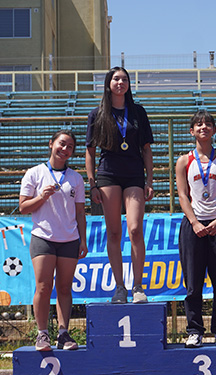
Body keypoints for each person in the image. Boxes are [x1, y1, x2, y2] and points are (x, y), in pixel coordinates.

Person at [85, 67, 154, 304]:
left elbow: (146, 149)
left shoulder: (138, 112)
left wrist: (149, 180)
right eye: (116, 79)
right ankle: (120, 287)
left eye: (124, 79)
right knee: (114, 232)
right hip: (108, 176)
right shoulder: (97, 114)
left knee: (135, 229)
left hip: (134, 174)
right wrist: (92, 184)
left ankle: (138, 287)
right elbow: (90, 152)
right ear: (108, 84)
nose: (120, 82)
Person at [19, 130, 87, 351]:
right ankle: (42, 334)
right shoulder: (34, 173)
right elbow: (23, 207)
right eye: (62, 144)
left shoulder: (76, 178)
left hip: (70, 239)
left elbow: (80, 213)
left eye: (70, 147)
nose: (65, 149)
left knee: (64, 287)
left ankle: (63, 333)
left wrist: (83, 241)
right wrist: (42, 197)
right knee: (43, 286)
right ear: (51, 144)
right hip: (43, 237)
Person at [176, 110, 216, 348]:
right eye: (199, 124)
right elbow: (182, 195)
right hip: (193, 227)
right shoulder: (184, 161)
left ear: (214, 130)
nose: (204, 127)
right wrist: (194, 222)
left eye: (208, 124)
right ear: (192, 131)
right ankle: (194, 330)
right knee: (193, 283)